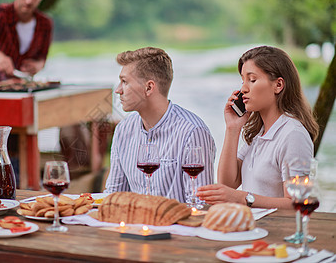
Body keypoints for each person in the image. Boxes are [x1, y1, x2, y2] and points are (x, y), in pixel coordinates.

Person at [196, 46, 319, 209]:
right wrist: (232, 128)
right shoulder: (258, 133)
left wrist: (243, 198)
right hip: (250, 227)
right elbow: (227, 184)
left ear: (278, 85)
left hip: (276, 231)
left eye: (252, 80)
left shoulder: (293, 135)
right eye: (243, 81)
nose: (243, 89)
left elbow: (297, 203)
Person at [104, 47, 216, 203]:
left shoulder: (192, 131)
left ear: (149, 87)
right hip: (134, 226)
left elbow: (200, 204)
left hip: (177, 226)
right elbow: (114, 196)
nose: (118, 90)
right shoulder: (123, 130)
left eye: (124, 82)